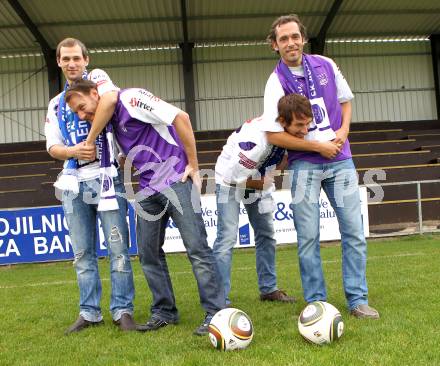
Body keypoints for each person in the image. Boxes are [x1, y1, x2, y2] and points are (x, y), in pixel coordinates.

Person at [64, 79, 226, 335]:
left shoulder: (131, 98)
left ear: (96, 93)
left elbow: (180, 117)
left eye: (83, 107)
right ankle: (164, 312)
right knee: (148, 254)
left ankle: (216, 313)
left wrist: (193, 164)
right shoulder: (108, 125)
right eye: (77, 113)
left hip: (176, 180)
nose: (83, 115)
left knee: (197, 248)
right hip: (147, 189)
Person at [263, 14, 379, 319]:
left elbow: (345, 101)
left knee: (353, 232)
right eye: (283, 39)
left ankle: (358, 300)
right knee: (308, 237)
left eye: (294, 36)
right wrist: (317, 146)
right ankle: (317, 302)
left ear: (303, 38)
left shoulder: (326, 64)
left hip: (341, 159)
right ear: (275, 45)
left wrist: (343, 133)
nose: (291, 43)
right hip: (305, 165)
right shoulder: (276, 80)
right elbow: (273, 134)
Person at [44, 38, 138, 334]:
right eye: (65, 59)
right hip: (73, 184)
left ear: (86, 60)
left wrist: (89, 140)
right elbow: (52, 147)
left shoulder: (99, 80)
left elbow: (110, 102)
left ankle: (122, 310)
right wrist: (75, 151)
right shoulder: (56, 104)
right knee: (83, 253)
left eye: (76, 58)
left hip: (107, 178)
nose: (72, 63)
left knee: (118, 248)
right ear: (59, 62)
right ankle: (89, 312)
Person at [213, 93, 319, 306]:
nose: (305, 131)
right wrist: (264, 181)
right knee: (226, 239)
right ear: (282, 121)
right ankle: (218, 299)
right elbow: (231, 177)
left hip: (258, 178)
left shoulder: (288, 132)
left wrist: (270, 175)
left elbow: (282, 161)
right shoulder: (255, 142)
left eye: (307, 124)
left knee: (266, 235)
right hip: (230, 181)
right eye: (300, 125)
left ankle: (268, 289)